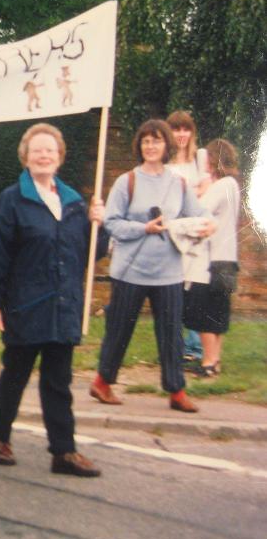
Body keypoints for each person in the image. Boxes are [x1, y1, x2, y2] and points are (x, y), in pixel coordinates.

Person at [0, 123, 106, 477]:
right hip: (25, 305)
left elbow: (87, 255)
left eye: (50, 150)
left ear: (60, 157)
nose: (44, 155)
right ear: (26, 158)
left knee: (58, 382)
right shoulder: (12, 199)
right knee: (15, 374)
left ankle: (64, 452)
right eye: (37, 150)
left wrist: (99, 226)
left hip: (63, 306)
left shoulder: (75, 202)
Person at [91, 119, 214, 413]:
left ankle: (176, 391)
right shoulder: (126, 181)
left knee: (171, 333)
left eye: (156, 140)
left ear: (166, 145)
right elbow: (111, 222)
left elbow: (198, 214)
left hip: (169, 270)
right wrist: (143, 229)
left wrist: (205, 225)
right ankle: (102, 383)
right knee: (119, 329)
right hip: (130, 269)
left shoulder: (178, 183)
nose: (151, 146)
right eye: (146, 141)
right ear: (139, 146)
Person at [185, 139, 241, 377]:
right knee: (217, 313)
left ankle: (208, 362)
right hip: (226, 259)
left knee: (205, 312)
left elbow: (199, 208)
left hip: (213, 260)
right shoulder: (232, 184)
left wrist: (198, 190)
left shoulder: (222, 185)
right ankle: (214, 361)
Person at [166, 110, 208, 363]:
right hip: (173, 231)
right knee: (174, 289)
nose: (181, 134)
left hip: (195, 232)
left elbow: (204, 188)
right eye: (176, 129)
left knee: (193, 288)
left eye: (186, 129)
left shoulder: (199, 158)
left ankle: (195, 347)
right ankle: (176, 347)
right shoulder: (165, 161)